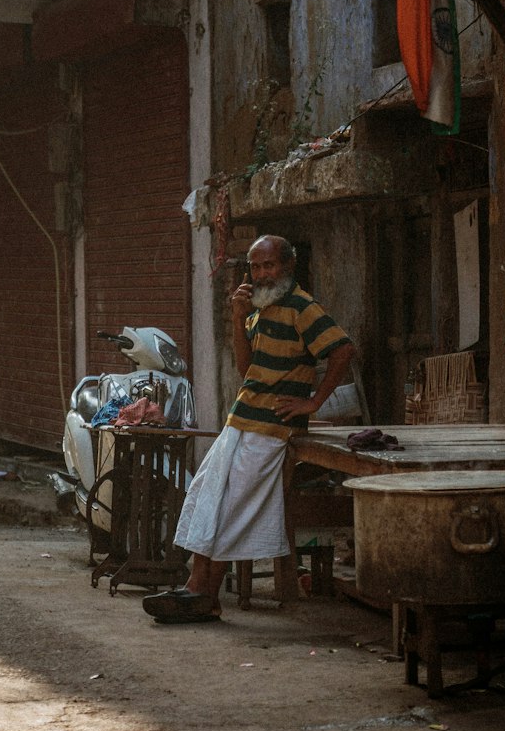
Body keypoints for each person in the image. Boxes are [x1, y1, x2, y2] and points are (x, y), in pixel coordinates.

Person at [143, 235, 356, 624]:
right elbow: (245, 369)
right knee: (207, 496)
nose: (261, 274)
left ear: (288, 266)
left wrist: (313, 402)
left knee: (232, 507)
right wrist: (238, 319)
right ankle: (199, 590)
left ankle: (201, 594)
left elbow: (342, 350)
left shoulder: (303, 307)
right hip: (241, 419)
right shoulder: (258, 308)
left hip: (272, 428)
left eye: (269, 266)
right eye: (255, 267)